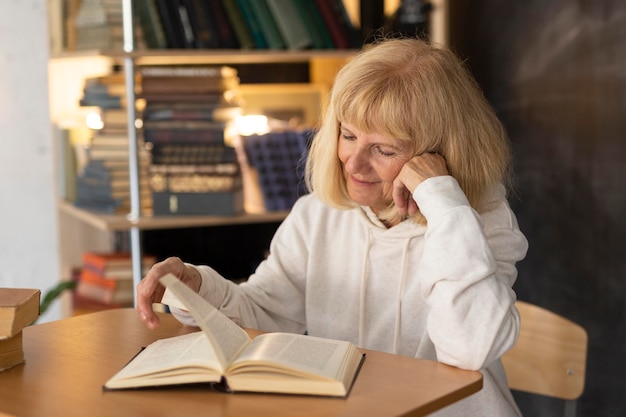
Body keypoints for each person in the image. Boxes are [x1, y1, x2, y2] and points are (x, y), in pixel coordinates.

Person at [137, 37, 528, 417]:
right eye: (348, 135)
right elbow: (265, 313)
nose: (353, 164)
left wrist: (442, 201)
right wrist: (197, 287)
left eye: (384, 149)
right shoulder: (317, 215)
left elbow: (470, 348)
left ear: (438, 155)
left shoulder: (473, 220)